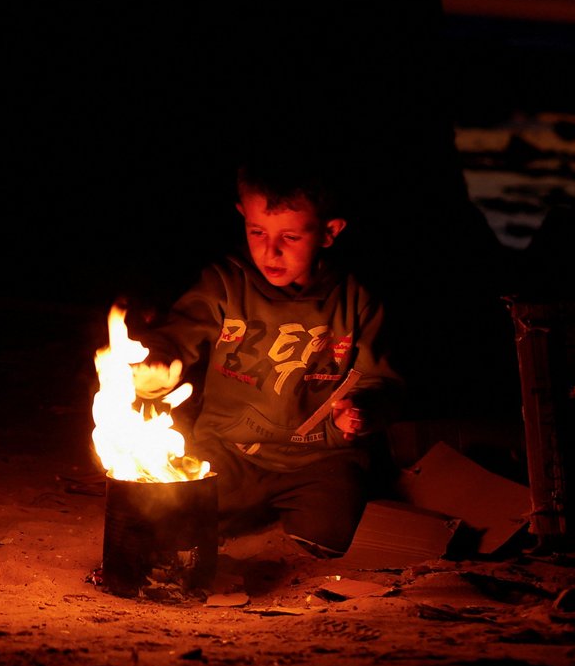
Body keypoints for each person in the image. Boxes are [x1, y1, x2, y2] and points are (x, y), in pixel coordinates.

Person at [128, 156, 402, 557]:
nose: (270, 251)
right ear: (242, 215)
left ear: (329, 231)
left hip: (319, 461)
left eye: (289, 238)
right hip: (230, 449)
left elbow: (383, 382)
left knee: (329, 534)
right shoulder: (225, 282)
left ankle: (287, 511)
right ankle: (240, 507)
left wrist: (363, 409)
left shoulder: (355, 300)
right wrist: (160, 360)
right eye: (257, 231)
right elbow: (179, 333)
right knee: (176, 513)